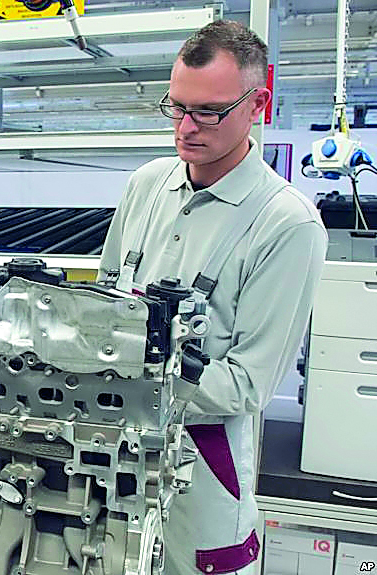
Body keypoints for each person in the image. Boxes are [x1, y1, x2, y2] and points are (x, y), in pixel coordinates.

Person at [97, 21, 327, 575]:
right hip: (109, 461)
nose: (186, 128)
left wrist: (131, 371)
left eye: (208, 112)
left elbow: (248, 383)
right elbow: (104, 304)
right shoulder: (147, 184)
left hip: (200, 476)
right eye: (177, 107)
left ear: (258, 104)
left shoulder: (286, 224)